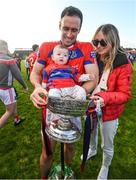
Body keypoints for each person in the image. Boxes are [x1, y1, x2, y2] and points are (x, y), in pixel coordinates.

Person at [30, 6, 99, 179]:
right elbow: (36, 73)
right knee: (48, 150)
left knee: (71, 146)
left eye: (74, 30)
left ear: (80, 29)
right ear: (59, 24)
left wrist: (72, 99)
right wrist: (38, 87)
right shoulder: (47, 47)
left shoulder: (85, 47)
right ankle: (44, 178)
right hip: (51, 105)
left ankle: (66, 172)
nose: (69, 34)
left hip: (74, 105)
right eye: (65, 28)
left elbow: (93, 78)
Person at [81, 24, 133, 180]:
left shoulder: (123, 63)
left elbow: (125, 94)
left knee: (107, 143)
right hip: (90, 105)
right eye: (95, 41)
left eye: (103, 42)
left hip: (110, 111)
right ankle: (91, 150)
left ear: (113, 41)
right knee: (90, 131)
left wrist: (105, 98)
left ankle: (105, 166)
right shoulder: (93, 58)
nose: (98, 46)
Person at [0, 40, 28, 128]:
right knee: (9, 111)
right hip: (6, 89)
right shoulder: (9, 59)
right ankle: (15, 118)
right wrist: (25, 86)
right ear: (5, 47)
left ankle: (17, 119)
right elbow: (18, 75)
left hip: (2, 89)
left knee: (14, 102)